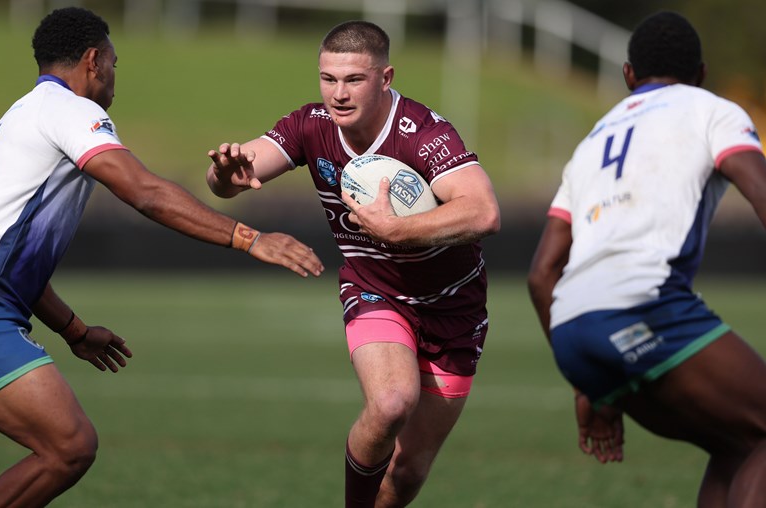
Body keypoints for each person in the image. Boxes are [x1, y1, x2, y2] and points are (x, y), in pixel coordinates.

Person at [0, 7, 323, 507]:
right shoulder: (72, 111)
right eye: (114, 61)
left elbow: (1, 259)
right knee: (68, 448)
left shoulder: (16, 117)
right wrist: (248, 237)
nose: (116, 74)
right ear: (93, 60)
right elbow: (144, 191)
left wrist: (73, 330)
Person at [207, 20, 500, 507]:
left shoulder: (424, 133)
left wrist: (396, 228)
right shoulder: (311, 124)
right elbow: (235, 174)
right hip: (375, 290)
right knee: (390, 404)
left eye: (353, 80)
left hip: (455, 308)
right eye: (328, 79)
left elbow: (484, 211)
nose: (337, 94)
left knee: (407, 472)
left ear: (385, 79)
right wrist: (223, 175)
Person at [528, 11, 766, 507]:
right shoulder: (712, 110)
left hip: (572, 331)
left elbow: (541, 274)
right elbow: (759, 189)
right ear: (701, 73)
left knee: (736, 442)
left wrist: (589, 385)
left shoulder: (590, 143)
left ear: (628, 75)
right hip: (645, 305)